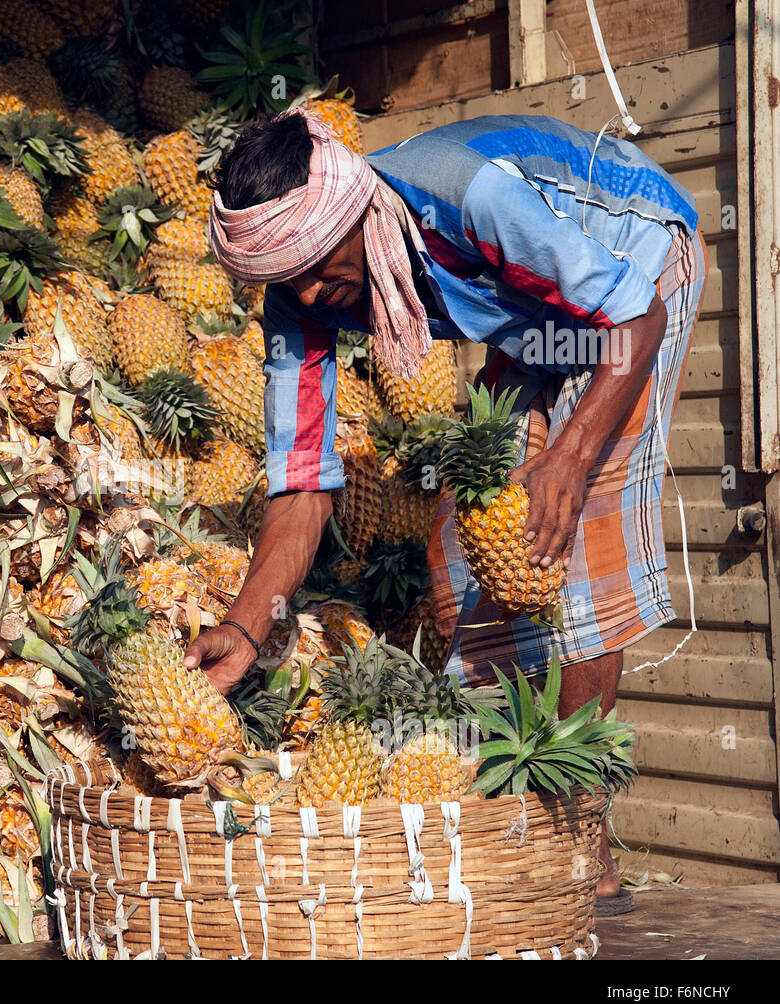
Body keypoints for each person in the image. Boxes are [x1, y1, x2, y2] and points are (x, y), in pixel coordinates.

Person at [186, 108, 705, 913]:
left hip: (633, 270)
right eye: (286, 282)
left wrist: (567, 460)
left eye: (320, 267)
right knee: (461, 550)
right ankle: (504, 799)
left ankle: (582, 840)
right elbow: (301, 479)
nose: (310, 292)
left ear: (354, 210)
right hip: (536, 317)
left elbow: (634, 315)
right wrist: (246, 629)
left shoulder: (469, 197)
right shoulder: (301, 292)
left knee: (577, 529)